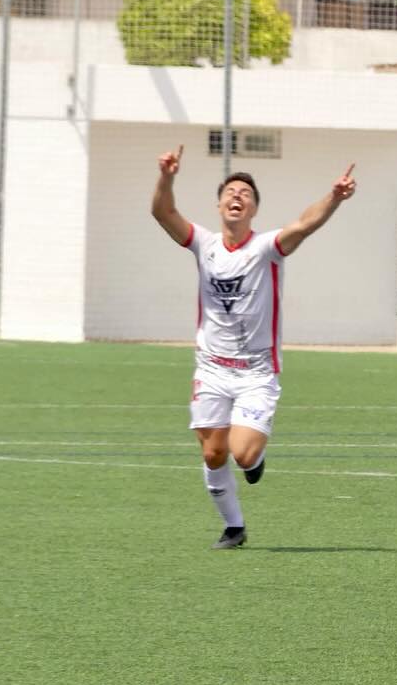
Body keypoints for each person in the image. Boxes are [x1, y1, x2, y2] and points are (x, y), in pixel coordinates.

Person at [149, 146, 357, 549]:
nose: (237, 196)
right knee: (213, 454)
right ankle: (234, 527)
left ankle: (255, 459)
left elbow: (303, 225)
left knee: (241, 454)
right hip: (211, 367)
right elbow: (162, 213)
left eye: (245, 192)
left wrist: (333, 196)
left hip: (255, 372)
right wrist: (167, 177)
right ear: (219, 203)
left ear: (254, 209)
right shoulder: (203, 244)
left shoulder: (265, 248)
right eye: (231, 191)